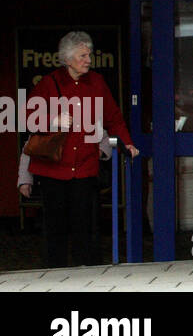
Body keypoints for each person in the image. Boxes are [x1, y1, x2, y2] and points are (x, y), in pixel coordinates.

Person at [21, 31, 138, 267]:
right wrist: (52, 120)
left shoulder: (97, 82)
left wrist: (127, 142)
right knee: (55, 225)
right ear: (67, 58)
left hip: (85, 167)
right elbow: (26, 117)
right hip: (54, 168)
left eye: (89, 55)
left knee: (86, 224)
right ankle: (55, 272)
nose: (88, 60)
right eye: (82, 55)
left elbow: (113, 117)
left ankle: (89, 273)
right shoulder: (48, 83)